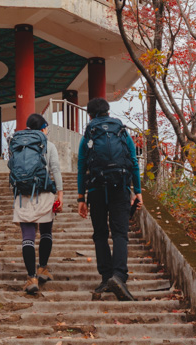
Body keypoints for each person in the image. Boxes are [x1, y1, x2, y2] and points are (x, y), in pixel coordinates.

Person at [77, 97, 143, 301]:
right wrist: (137, 190)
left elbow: (81, 166)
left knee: (100, 234)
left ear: (90, 114)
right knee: (120, 233)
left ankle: (106, 277)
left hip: (96, 189)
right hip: (120, 187)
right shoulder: (121, 131)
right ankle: (119, 276)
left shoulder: (89, 133)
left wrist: (81, 196)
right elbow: (133, 161)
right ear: (108, 111)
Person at [10, 113, 63, 295]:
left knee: (28, 237)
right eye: (46, 127)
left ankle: (31, 277)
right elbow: (55, 168)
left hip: (23, 194)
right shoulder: (49, 145)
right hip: (45, 193)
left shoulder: (17, 145)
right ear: (42, 129)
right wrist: (60, 193)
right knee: (46, 232)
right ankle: (42, 268)